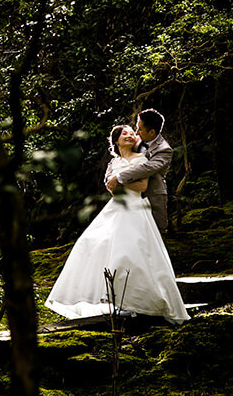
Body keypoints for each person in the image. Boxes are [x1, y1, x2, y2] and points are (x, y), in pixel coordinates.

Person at [45, 124, 189, 323]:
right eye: (124, 133)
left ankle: (136, 303)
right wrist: (116, 182)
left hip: (136, 207)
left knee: (128, 254)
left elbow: (142, 185)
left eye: (132, 133)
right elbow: (110, 188)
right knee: (90, 244)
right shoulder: (113, 163)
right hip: (116, 207)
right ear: (116, 140)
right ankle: (114, 300)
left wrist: (118, 181)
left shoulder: (141, 159)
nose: (130, 135)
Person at [105, 108, 172, 232]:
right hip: (126, 198)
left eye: (140, 129)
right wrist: (110, 177)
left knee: (153, 234)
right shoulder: (136, 139)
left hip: (151, 194)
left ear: (152, 132)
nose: (136, 132)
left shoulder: (164, 150)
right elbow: (120, 157)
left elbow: (147, 168)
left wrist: (119, 178)